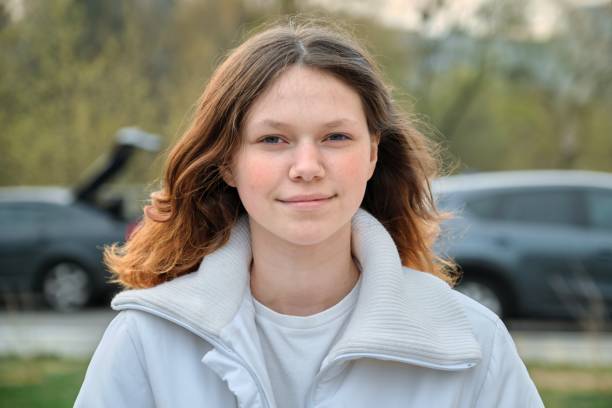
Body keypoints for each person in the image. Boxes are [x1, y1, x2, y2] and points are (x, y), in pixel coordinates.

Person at [74, 19, 544, 408]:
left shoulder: (471, 343)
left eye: (335, 137)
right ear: (228, 163)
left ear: (373, 154)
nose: (306, 167)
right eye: (272, 139)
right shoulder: (146, 340)